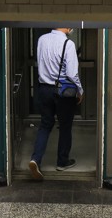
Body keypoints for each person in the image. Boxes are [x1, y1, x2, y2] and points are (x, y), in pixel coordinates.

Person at [29, 27, 83, 180]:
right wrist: (80, 90)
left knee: (45, 124)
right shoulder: (68, 44)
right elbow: (72, 73)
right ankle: (62, 161)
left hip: (44, 88)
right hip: (63, 91)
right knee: (65, 126)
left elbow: (39, 62)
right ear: (66, 26)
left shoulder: (42, 39)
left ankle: (35, 159)